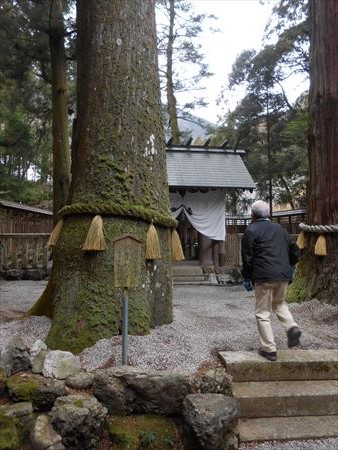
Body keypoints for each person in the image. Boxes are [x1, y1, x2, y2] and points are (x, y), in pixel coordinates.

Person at [241, 200, 302, 361]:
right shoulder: (280, 229)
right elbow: (295, 251)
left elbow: (247, 257)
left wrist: (247, 276)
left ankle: (269, 349)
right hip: (282, 276)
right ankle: (291, 327)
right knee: (279, 303)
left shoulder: (251, 230)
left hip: (263, 276)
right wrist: (290, 267)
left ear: (253, 215)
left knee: (262, 312)